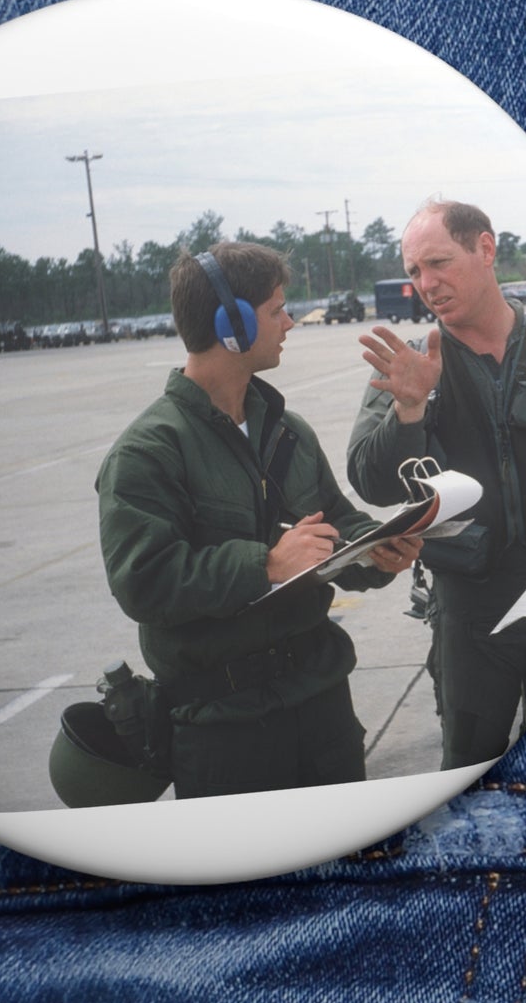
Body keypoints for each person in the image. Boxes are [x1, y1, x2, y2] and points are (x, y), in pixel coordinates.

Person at [95, 242, 420, 800]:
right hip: (225, 732)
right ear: (233, 324)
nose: (289, 321)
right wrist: (264, 564)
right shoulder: (148, 450)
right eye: (276, 310)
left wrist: (378, 548)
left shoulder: (287, 429)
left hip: (322, 706)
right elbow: (142, 581)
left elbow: (335, 521)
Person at [348, 202, 526, 771]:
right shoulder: (413, 367)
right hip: (470, 610)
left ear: (485, 249)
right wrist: (407, 410)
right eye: (413, 272)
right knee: (469, 764)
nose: (426, 285)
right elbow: (370, 481)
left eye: (438, 263)